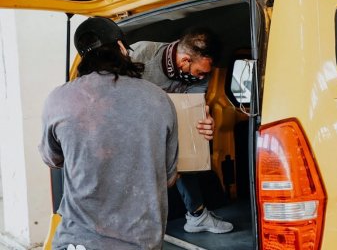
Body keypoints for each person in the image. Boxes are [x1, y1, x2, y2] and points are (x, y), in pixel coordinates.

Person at [38, 17, 179, 250]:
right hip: (143, 242)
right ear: (122, 48)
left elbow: (52, 159)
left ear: (84, 57)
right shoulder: (159, 99)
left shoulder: (58, 99)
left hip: (78, 242)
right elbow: (170, 176)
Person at [129, 27, 234, 234]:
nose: (203, 77)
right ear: (185, 61)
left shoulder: (201, 74)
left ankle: (197, 216)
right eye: (200, 72)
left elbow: (193, 107)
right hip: (132, 124)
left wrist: (204, 121)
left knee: (185, 147)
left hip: (167, 125)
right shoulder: (140, 55)